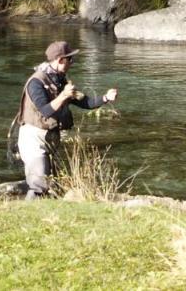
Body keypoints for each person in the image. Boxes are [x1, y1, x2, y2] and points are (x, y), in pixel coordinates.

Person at [14, 40, 118, 199]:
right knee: (38, 185)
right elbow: (45, 110)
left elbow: (85, 102)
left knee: (52, 183)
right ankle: (26, 215)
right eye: (70, 59)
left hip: (51, 138)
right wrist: (64, 95)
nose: (72, 63)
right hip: (33, 138)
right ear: (60, 60)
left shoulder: (60, 80)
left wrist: (105, 98)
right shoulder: (36, 82)